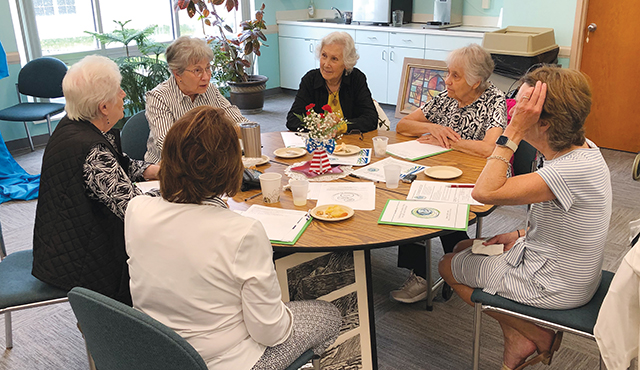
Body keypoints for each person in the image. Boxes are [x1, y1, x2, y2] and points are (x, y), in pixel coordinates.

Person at [125, 106, 341, 370]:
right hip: (225, 362)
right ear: (230, 165)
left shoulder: (136, 210)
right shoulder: (242, 232)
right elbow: (270, 333)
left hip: (159, 352)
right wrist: (283, 310)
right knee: (329, 316)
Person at [439, 66, 611, 370]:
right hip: (570, 269)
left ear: (542, 124)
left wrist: (513, 132)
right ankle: (516, 334)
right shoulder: (582, 152)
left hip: (555, 285)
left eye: (520, 110)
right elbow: (569, 222)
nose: (512, 113)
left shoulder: (565, 171)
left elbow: (485, 191)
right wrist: (518, 235)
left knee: (447, 265)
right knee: (463, 246)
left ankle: (534, 333)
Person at [32, 55, 160, 306]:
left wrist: (153, 171)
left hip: (59, 247)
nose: (123, 94)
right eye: (118, 91)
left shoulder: (75, 126)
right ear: (103, 107)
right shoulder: (90, 148)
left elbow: (117, 165)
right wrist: (176, 191)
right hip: (82, 261)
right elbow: (135, 210)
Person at [391, 44, 508, 303]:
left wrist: (452, 141)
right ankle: (426, 270)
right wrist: (434, 127)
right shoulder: (446, 97)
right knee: (409, 194)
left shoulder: (494, 100)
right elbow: (403, 125)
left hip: (479, 175)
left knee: (433, 203)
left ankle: (455, 262)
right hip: (440, 169)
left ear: (476, 80)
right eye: (448, 73)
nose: (447, 80)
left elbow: (490, 149)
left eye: (456, 75)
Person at [144, 36, 248, 163]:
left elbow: (240, 122)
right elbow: (169, 145)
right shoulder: (158, 98)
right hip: (168, 169)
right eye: (197, 70)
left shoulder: (210, 90)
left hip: (208, 163)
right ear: (177, 73)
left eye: (208, 68)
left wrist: (245, 130)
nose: (206, 77)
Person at [286, 31, 378, 134]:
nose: (326, 64)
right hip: (319, 145)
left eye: (334, 59)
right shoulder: (310, 80)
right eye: (324, 55)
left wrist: (341, 126)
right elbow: (292, 119)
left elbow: (371, 119)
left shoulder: (356, 79)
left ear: (346, 63)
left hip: (350, 144)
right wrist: (319, 125)